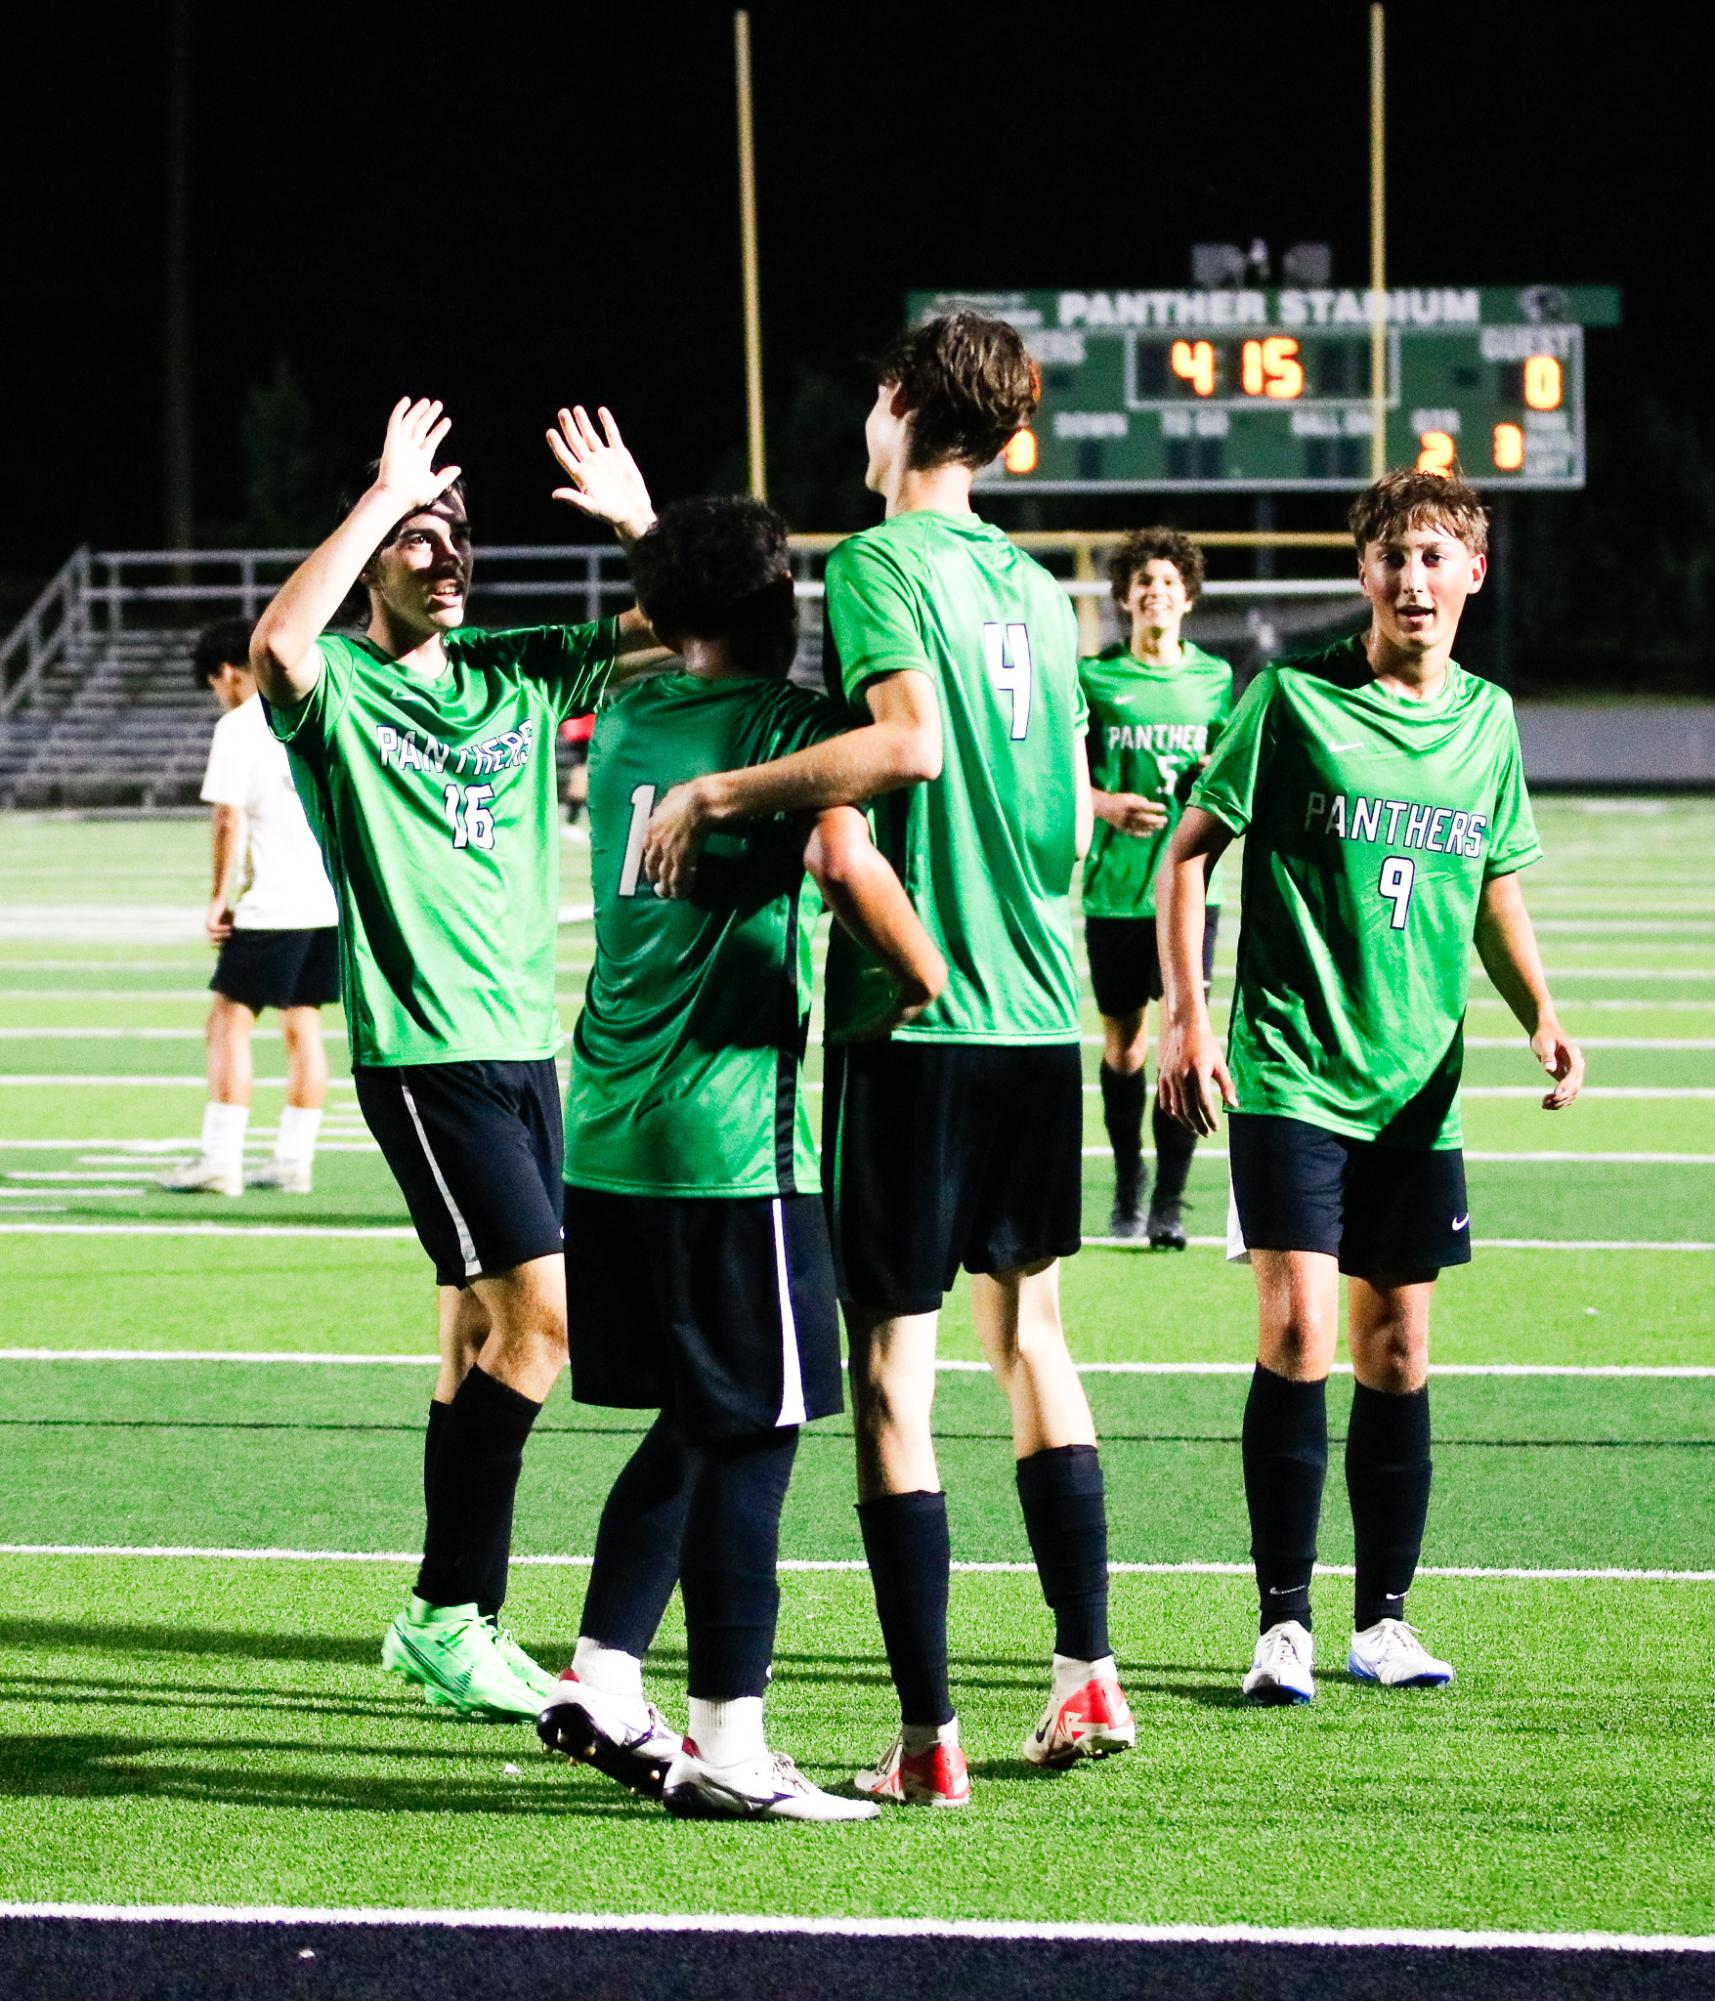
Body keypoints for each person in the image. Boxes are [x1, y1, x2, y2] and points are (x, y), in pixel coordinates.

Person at [637, 314, 1134, 1806]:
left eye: (871, 394)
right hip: (1039, 1017)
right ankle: (1083, 1672)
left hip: (917, 1027)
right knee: (1033, 1342)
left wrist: (722, 789)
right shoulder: (1045, 598)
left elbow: (905, 746)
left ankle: (927, 1737)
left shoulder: (873, 562)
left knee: (892, 1371)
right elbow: (1051, 817)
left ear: (904, 407)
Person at [249, 396, 663, 1721]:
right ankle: (447, 1610)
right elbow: (276, 643)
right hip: (427, 1056)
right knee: (547, 1324)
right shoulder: (345, 694)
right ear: (371, 558)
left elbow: (696, 631)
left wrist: (641, 527)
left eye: (457, 536)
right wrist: (382, 492)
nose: (443, 557)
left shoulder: (521, 671)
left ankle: (450, 1618)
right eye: (416, 540)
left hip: (522, 1052)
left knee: (478, 1332)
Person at [536, 495, 945, 1821]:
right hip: (727, 1137)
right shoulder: (780, 732)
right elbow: (890, 772)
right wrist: (929, 971)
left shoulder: (635, 719)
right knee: (759, 1428)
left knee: (703, 1410)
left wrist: (656, 539)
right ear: (775, 607)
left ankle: (601, 1670)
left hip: (606, 1122)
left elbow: (692, 620)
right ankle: (726, 1737)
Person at [1155, 466, 1585, 1705]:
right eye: (1391, 556)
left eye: (1433, 556)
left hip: (1415, 1087)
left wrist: (1540, 1012)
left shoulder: (1488, 720)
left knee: (1395, 1350)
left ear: (1471, 576)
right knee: (1294, 1330)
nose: (1411, 579)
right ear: (1362, 574)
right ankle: (1279, 1622)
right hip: (1292, 1069)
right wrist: (1189, 1019)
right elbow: (1187, 852)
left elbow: (1494, 879)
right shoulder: (1288, 699)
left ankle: (1380, 1622)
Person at [1080, 529, 1233, 1245]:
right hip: (1113, 890)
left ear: (1188, 598)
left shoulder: (1215, 679)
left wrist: (1211, 771)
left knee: (1183, 1035)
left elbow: (1229, 782)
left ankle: (1169, 1203)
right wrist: (1105, 804)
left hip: (1190, 894)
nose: (1155, 594)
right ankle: (1126, 1182)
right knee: (1124, 1045)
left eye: (1168, 583)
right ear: (1123, 598)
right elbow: (1064, 779)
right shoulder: (1093, 679)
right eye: (1143, 584)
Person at [159, 618, 339, 1198]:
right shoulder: (313, 710)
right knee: (303, 1024)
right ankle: (293, 1160)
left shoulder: (239, 726)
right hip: (327, 901)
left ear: (229, 672)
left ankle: (219, 1160)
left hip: (274, 904)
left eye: (215, 681)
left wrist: (220, 896)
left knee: (227, 1025)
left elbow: (229, 816)